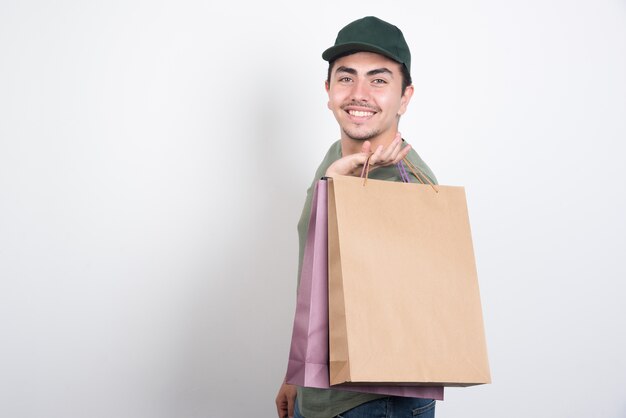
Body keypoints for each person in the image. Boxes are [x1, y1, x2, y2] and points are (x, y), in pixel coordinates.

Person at [275, 16, 441, 418]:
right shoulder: (339, 157)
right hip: (318, 394)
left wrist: (341, 190)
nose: (359, 93)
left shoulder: (407, 188)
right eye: (346, 78)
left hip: (373, 402)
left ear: (405, 98)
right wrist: (297, 374)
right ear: (329, 90)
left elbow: (391, 318)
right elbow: (319, 285)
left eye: (379, 80)